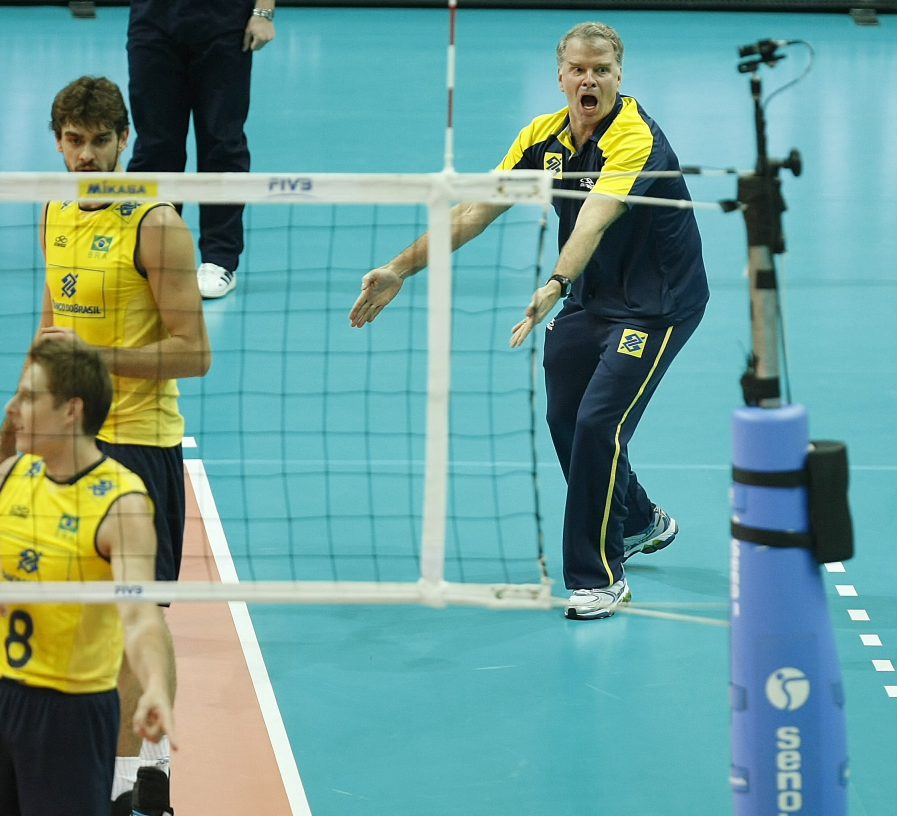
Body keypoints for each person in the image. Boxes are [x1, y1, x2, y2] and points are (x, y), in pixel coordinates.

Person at [349, 22, 709, 621]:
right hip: (590, 297)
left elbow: (594, 216)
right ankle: (639, 520)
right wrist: (399, 268)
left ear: (619, 76)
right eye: (578, 70)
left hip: (656, 305)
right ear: (561, 77)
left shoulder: (635, 139)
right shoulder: (541, 138)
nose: (589, 80)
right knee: (565, 418)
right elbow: (475, 210)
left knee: (598, 425)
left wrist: (556, 282)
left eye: (601, 70)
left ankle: (598, 577)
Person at [0, 76, 210, 815]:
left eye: (100, 141)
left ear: (123, 141)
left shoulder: (156, 223)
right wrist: (3, 445)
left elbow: (195, 351)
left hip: (138, 441)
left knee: (137, 614)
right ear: (57, 143)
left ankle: (142, 780)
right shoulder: (54, 210)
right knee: (71, 611)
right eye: (73, 141)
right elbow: (47, 339)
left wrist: (97, 360)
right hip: (67, 442)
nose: (86, 156)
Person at [0, 338, 178, 816]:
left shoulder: (122, 504)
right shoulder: (11, 476)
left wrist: (154, 684)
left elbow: (140, 615)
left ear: (71, 410)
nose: (10, 408)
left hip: (71, 713)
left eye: (29, 397)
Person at [126, 0, 276, 299]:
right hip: (153, 21)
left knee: (223, 145)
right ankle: (153, 254)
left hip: (224, 23)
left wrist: (263, 12)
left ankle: (219, 260)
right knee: (154, 148)